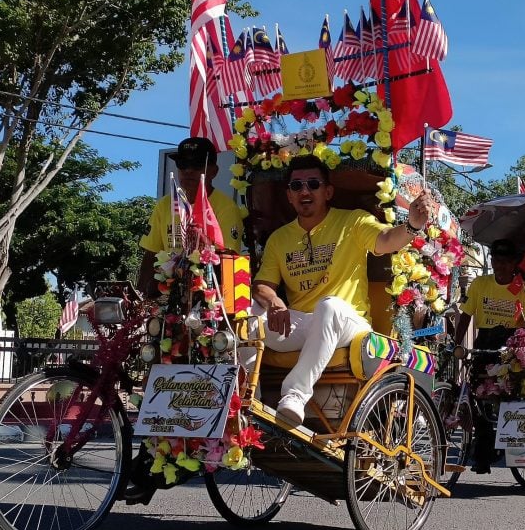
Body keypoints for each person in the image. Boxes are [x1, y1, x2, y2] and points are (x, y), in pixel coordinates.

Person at [246, 155, 436, 426]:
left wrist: (413, 225)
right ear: (289, 195)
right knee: (244, 313)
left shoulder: (353, 222)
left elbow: (385, 241)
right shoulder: (279, 238)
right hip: (302, 324)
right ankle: (249, 398)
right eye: (296, 186)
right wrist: (274, 300)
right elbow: (262, 285)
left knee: (329, 306)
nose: (304, 191)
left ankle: (295, 395)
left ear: (328, 192)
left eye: (312, 184)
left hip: (349, 324)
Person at [453, 238, 525, 473]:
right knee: (479, 398)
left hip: (510, 345)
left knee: (509, 396)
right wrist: (456, 345)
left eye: (505, 262)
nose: (500, 266)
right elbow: (466, 316)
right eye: (496, 261)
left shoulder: (524, 289)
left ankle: (515, 446)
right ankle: (482, 453)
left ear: (514, 264)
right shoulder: (480, 284)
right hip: (484, 342)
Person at [137, 137, 244, 296]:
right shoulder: (164, 205)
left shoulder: (227, 208)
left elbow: (228, 261)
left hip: (210, 296)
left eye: (197, 165)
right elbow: (150, 255)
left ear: (214, 171)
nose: (189, 170)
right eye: (183, 164)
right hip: (169, 294)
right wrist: (140, 299)